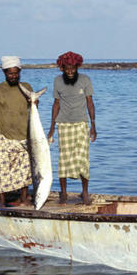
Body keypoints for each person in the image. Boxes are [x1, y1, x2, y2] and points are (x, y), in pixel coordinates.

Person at [0, 55, 33, 207]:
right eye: (10, 73)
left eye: (16, 73)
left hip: (25, 135)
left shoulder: (27, 87)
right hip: (5, 136)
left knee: (25, 169)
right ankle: (2, 201)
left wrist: (35, 101)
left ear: (20, 72)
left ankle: (24, 199)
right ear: (4, 72)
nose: (13, 76)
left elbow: (33, 107)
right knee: (3, 169)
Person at [47, 51, 96, 205]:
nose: (70, 72)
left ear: (77, 67)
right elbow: (56, 104)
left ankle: (85, 192)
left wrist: (93, 125)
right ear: (62, 68)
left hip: (82, 123)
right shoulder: (57, 81)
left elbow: (90, 103)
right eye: (66, 69)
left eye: (72, 69)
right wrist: (52, 127)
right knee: (64, 159)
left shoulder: (85, 80)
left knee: (83, 159)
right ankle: (63, 194)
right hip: (64, 124)